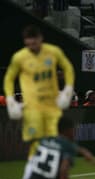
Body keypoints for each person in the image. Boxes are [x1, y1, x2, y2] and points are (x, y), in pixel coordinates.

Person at [4, 25, 74, 158]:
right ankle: (34, 172)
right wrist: (10, 99)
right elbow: (9, 78)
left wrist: (68, 89)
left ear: (40, 39)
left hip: (52, 106)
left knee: (55, 141)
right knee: (35, 142)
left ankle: (54, 173)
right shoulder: (20, 57)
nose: (32, 47)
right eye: (28, 44)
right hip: (32, 108)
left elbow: (68, 68)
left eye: (34, 43)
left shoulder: (53, 52)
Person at [21, 117, 95, 179]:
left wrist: (84, 152)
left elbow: (61, 145)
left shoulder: (45, 140)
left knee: (32, 160)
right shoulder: (68, 147)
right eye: (74, 130)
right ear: (69, 130)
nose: (75, 133)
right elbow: (63, 171)